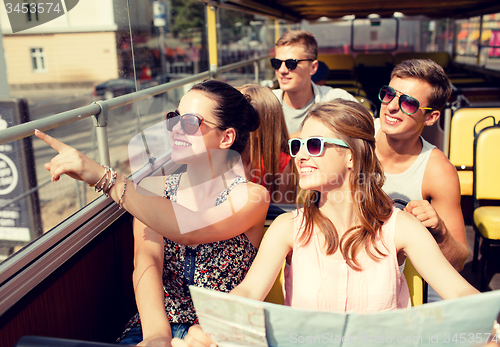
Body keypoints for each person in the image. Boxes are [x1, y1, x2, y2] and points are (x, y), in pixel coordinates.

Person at [170, 99, 480, 347]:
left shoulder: (400, 227)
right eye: (297, 146)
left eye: (315, 145)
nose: (301, 156)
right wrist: (213, 327)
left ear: (352, 156)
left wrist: (487, 330)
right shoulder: (287, 227)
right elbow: (249, 292)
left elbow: (460, 293)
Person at [35, 79, 270, 346]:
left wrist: (105, 177)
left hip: (219, 332)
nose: (176, 129)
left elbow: (192, 229)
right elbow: (147, 263)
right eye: (174, 118)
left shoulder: (251, 196)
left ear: (226, 137)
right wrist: (157, 336)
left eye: (191, 122)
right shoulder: (153, 191)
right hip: (154, 323)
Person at [374, 59, 468, 302]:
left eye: (408, 102)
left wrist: (440, 231)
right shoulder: (356, 136)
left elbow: (458, 261)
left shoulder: (437, 171)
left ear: (431, 117)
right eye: (388, 94)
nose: (392, 107)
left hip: (407, 286)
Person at [270, 30, 358, 137]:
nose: (282, 70)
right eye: (277, 63)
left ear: (313, 67)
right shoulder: (266, 104)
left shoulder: (337, 100)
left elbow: (369, 128)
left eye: (291, 63)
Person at [237, 84, 297, 204]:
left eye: (237, 116)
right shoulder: (225, 153)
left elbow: (281, 212)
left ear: (258, 125)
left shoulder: (281, 163)